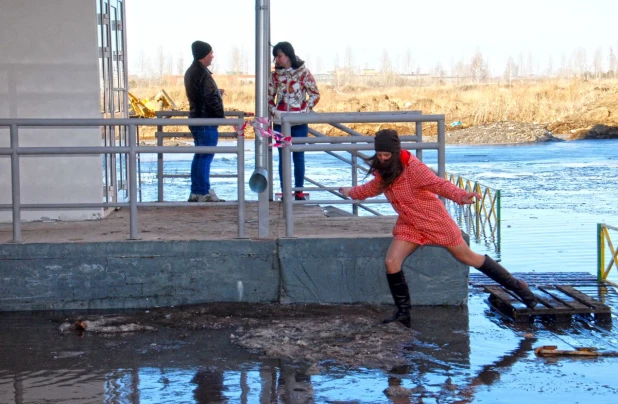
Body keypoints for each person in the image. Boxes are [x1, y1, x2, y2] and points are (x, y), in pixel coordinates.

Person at [339, 129, 538, 328]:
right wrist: (351, 192)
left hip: (435, 221)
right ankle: (403, 313)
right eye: (380, 155)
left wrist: (461, 196)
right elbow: (372, 188)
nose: (382, 159)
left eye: (386, 155)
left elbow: (439, 184)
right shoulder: (386, 171)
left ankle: (520, 289)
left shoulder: (413, 169)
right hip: (410, 224)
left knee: (469, 257)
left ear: (396, 152)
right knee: (392, 262)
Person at [268, 41, 320, 200]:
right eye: (275, 56)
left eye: (280, 55)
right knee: (283, 157)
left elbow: (315, 94)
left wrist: (304, 111)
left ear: (288, 55)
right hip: (279, 123)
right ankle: (285, 192)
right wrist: (274, 111)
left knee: (298, 156)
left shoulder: (303, 73)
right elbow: (268, 96)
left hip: (299, 123)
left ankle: (298, 191)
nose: (277, 59)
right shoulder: (275, 75)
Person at [184, 40, 225, 202]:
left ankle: (197, 190)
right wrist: (221, 116)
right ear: (203, 55)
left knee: (200, 155)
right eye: (210, 53)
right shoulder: (202, 73)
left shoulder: (192, 71)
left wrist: (216, 92)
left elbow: (202, 95)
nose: (212, 56)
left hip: (197, 118)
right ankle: (202, 191)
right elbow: (209, 98)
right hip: (205, 120)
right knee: (205, 156)